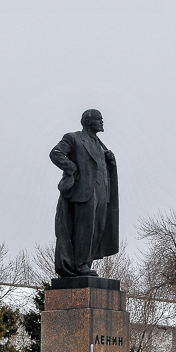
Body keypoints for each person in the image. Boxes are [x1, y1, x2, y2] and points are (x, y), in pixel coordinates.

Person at [48, 109, 119, 278]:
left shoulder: (101, 146)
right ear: (88, 121)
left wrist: (111, 163)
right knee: (84, 229)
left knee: (97, 230)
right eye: (98, 119)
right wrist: (72, 168)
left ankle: (86, 263)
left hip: (102, 193)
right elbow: (55, 153)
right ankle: (80, 265)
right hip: (83, 193)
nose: (102, 122)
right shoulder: (73, 138)